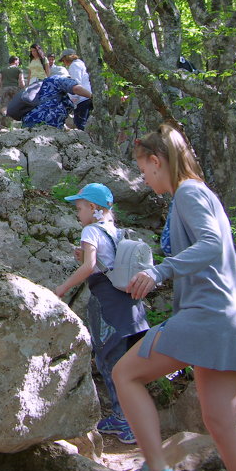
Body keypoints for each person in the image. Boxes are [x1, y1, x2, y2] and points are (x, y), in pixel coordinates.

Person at [113, 125, 236, 471]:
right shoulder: (198, 193)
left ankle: (157, 470)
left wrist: (161, 272)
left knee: (125, 374)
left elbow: (212, 244)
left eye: (143, 168)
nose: (143, 177)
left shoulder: (189, 192)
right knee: (222, 426)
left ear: (157, 160)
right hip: (230, 321)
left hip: (208, 318)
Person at [53, 182, 148, 445]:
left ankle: (124, 420)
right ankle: (136, 419)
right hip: (131, 306)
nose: (78, 212)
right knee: (131, 365)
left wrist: (62, 288)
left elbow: (90, 267)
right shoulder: (116, 231)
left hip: (107, 306)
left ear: (93, 208)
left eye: (80, 207)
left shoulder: (90, 230)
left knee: (111, 363)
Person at [22, 72, 91, 129]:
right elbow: (76, 89)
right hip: (47, 124)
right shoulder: (60, 79)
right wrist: (92, 97)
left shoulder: (45, 83)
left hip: (28, 120)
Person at [59, 50, 93, 130]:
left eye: (63, 60)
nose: (63, 63)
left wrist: (74, 99)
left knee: (80, 123)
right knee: (86, 121)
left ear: (67, 58)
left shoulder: (74, 66)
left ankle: (84, 141)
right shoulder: (81, 63)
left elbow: (76, 84)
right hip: (88, 95)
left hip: (82, 98)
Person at [0, 56, 26, 125]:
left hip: (5, 88)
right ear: (15, 61)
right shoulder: (18, 69)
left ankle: (5, 117)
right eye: (18, 61)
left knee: (4, 105)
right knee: (16, 104)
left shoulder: (3, 70)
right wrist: (24, 89)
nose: (18, 63)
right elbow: (21, 80)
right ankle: (16, 121)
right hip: (15, 88)